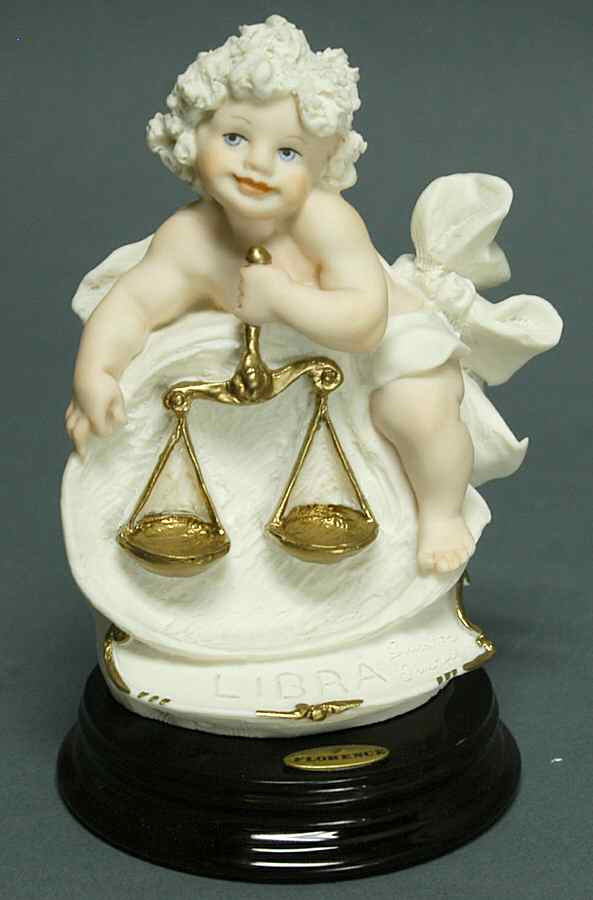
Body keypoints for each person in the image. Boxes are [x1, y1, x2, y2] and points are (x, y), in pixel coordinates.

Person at [65, 16, 561, 577]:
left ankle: (441, 512)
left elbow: (366, 322)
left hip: (383, 343)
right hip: (281, 357)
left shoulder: (325, 220)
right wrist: (95, 373)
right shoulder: (189, 240)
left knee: (417, 410)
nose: (257, 164)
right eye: (234, 138)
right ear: (192, 136)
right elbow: (131, 305)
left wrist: (283, 299)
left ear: (324, 163)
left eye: (288, 152)